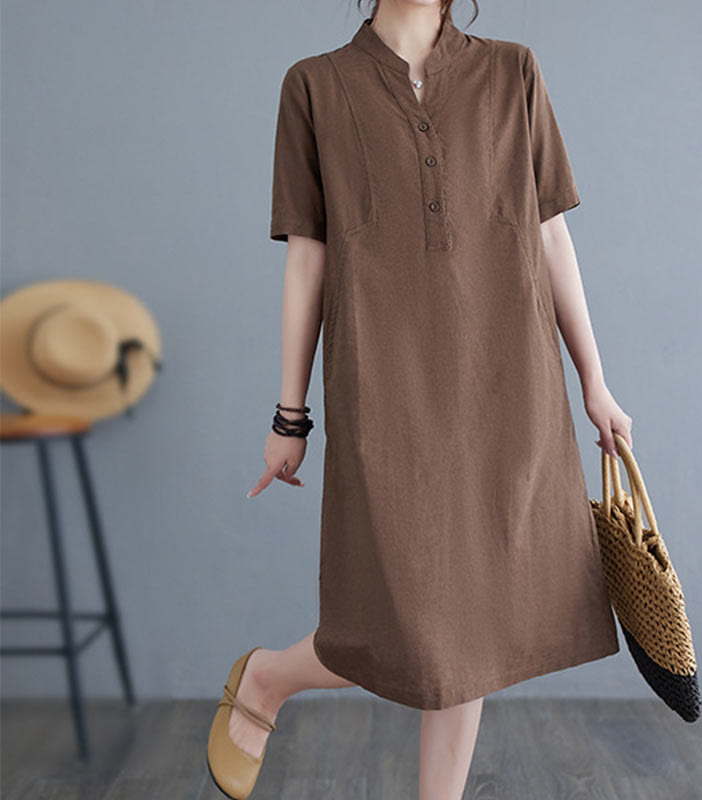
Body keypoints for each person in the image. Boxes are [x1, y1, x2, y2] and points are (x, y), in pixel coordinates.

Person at [207, 2, 633, 798]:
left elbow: (548, 233)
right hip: (385, 389)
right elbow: (307, 258)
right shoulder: (315, 86)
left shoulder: (512, 70)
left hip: (507, 381)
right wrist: (290, 414)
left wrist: (594, 380)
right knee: (405, 617)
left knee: (471, 629)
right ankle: (270, 677)